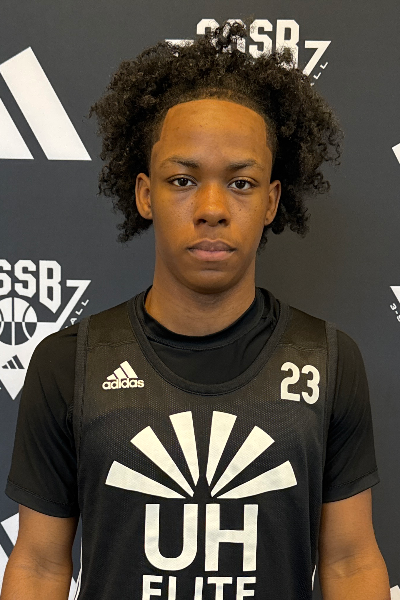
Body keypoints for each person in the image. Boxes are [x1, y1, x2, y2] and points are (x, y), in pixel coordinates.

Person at [1, 22, 390, 600]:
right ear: (145, 194)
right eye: (183, 179)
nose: (211, 207)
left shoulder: (329, 360)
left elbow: (350, 563)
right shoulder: (69, 363)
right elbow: (37, 566)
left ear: (271, 201)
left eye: (241, 183)